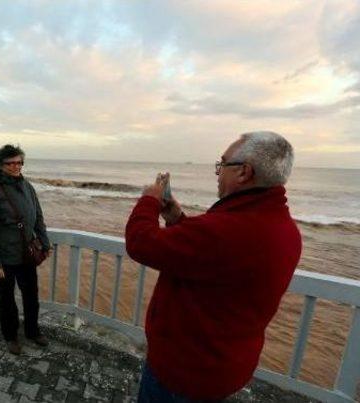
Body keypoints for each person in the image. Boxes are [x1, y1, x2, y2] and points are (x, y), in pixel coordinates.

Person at [125, 131, 302, 402]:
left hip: (184, 371)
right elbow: (211, 257)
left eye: (223, 165)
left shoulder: (227, 229)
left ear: (243, 172)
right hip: (223, 366)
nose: (218, 173)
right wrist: (176, 218)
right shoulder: (285, 229)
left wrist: (149, 200)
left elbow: (140, 242)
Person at [0, 144, 52, 355]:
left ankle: (32, 331)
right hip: (5, 259)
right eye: (10, 163)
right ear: (1, 165)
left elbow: (38, 218)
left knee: (32, 296)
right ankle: (10, 336)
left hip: (27, 256)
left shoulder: (28, 187)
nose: (15, 166)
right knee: (7, 300)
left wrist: (45, 243)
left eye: (19, 162)